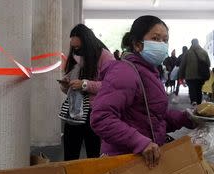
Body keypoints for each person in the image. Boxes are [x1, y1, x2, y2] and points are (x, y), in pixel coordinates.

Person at [91, 15, 196, 166]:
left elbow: (154, 116)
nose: (162, 44)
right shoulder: (125, 72)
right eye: (155, 38)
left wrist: (188, 118)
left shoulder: (150, 72)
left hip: (144, 158)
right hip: (125, 160)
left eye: (165, 40)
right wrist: (140, 142)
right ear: (137, 44)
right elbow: (101, 117)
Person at [59, 24, 115, 161]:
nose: (76, 51)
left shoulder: (105, 56)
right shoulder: (75, 57)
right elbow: (69, 90)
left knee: (94, 154)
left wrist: (84, 84)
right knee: (70, 155)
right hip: (74, 112)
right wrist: (66, 85)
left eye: (78, 47)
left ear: (88, 43)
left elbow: (111, 85)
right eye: (74, 47)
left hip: (95, 112)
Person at [179, 38, 211, 105]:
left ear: (192, 43)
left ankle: (193, 101)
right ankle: (199, 103)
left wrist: (181, 75)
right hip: (201, 75)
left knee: (192, 88)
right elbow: (209, 63)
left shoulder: (187, 53)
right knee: (199, 89)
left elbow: (183, 65)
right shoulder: (204, 52)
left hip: (190, 76)